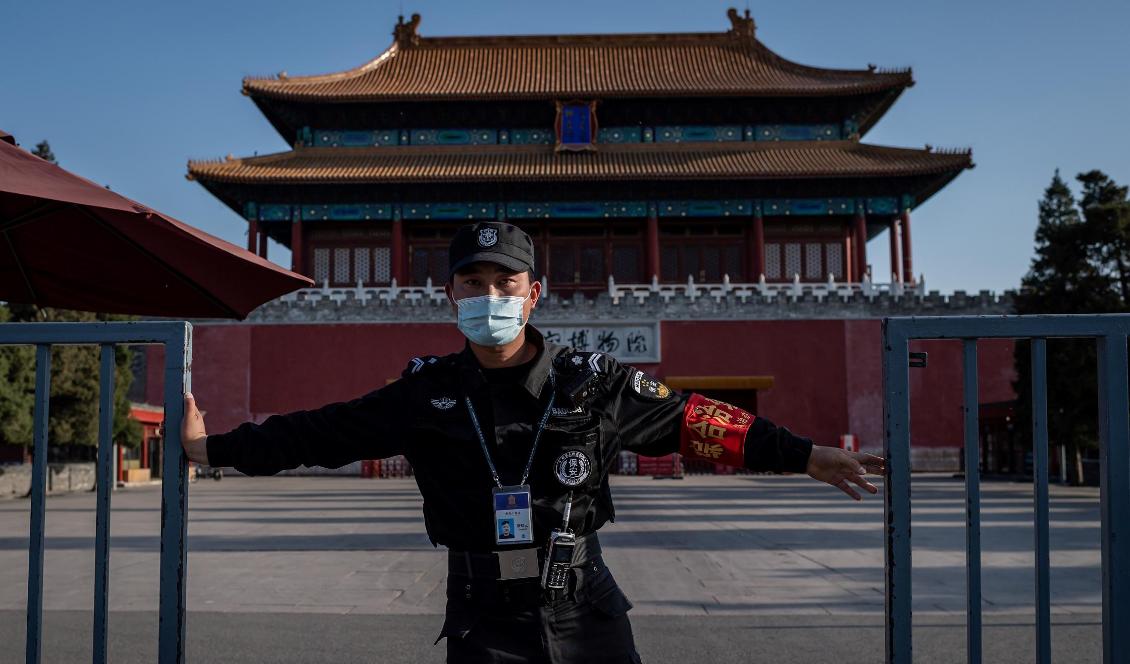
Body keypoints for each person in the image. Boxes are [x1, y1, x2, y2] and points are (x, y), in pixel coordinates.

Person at [180, 221, 886, 664]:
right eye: (473, 282)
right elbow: (321, 431)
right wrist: (213, 450)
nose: (491, 296)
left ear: (533, 293)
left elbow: (698, 420)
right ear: (451, 296)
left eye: (504, 282)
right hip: (482, 615)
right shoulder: (425, 395)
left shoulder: (595, 383)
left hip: (586, 606)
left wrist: (806, 453)